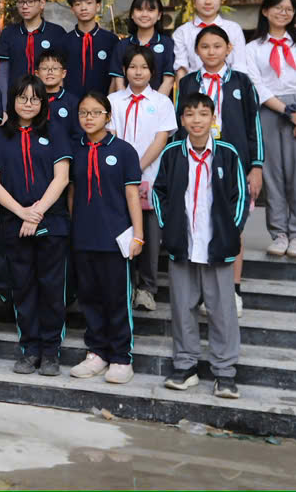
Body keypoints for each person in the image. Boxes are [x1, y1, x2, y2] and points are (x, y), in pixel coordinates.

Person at [153, 93, 247, 400]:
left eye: (203, 114)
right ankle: (185, 366)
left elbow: (240, 196)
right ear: (182, 120)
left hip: (217, 245)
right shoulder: (172, 154)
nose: (197, 120)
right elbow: (159, 193)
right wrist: (169, 227)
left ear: (213, 119)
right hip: (183, 243)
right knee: (183, 307)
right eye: (190, 114)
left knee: (222, 310)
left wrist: (230, 231)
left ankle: (225, 371)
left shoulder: (227, 153)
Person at [0, 75, 71, 376]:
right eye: (22, 98)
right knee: (23, 288)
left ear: (43, 102)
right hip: (14, 223)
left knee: (51, 288)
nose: (28, 103)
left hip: (51, 223)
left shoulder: (56, 132)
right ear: (13, 101)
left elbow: (62, 178)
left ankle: (51, 351)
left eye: (35, 98)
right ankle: (30, 349)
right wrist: (22, 213)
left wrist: (36, 213)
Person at [175, 24, 263, 313]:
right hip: (196, 161)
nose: (211, 52)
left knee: (233, 224)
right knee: (198, 220)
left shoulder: (242, 82)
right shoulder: (187, 83)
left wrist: (256, 166)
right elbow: (178, 125)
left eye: (217, 46)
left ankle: (233, 289)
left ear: (229, 49)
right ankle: (202, 291)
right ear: (196, 51)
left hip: (233, 163)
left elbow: (254, 126)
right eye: (204, 47)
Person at [68, 92, 143, 385]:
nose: (89, 118)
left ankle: (121, 357)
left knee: (116, 299)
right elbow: (72, 194)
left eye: (96, 112)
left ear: (108, 116)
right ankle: (97, 353)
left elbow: (132, 195)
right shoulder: (75, 150)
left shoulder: (124, 151)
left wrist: (138, 235)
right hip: (83, 237)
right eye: (84, 113)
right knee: (89, 298)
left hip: (116, 238)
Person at [244, 0, 296, 259]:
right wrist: (288, 113)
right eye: (277, 8)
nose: (283, 13)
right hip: (269, 110)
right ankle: (279, 233)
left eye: (288, 9)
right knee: (273, 175)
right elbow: (256, 84)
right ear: (265, 11)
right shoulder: (253, 48)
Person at [107, 46, 177, 311]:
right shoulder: (113, 101)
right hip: (117, 179)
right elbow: (110, 136)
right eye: (133, 67)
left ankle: (147, 288)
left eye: (144, 67)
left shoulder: (161, 102)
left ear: (152, 72)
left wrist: (136, 169)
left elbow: (161, 139)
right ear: (124, 70)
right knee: (120, 231)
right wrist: (125, 172)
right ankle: (124, 286)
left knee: (149, 234)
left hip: (150, 178)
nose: (138, 72)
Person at [0, 0, 66, 100]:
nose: (25, 6)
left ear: (42, 3)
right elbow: (3, 74)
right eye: (21, 2)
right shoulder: (8, 33)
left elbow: (62, 72)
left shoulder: (57, 33)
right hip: (16, 100)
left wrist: (60, 102)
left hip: (48, 100)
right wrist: (3, 106)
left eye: (30, 1)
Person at [172, 0, 247, 80]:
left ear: (222, 0)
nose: (208, 2)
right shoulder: (182, 32)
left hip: (229, 86)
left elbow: (240, 66)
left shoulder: (233, 29)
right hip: (195, 88)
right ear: (193, 0)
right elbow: (181, 69)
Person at [108, 0, 175, 95]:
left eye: (150, 10)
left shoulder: (168, 44)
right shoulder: (122, 46)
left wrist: (155, 103)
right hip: (127, 103)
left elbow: (168, 81)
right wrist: (126, 103)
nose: (144, 14)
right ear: (132, 15)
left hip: (159, 103)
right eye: (139, 9)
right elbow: (119, 82)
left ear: (159, 15)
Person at [61, 0, 118, 97]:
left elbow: (116, 77)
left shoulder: (111, 40)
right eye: (78, 4)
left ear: (98, 6)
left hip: (102, 102)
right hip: (70, 103)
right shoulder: (63, 41)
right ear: (72, 9)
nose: (83, 8)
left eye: (89, 3)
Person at [36, 49, 80, 145]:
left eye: (55, 68)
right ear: (37, 74)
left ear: (63, 73)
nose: (50, 72)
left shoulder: (73, 102)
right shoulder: (32, 100)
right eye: (44, 68)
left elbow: (78, 134)